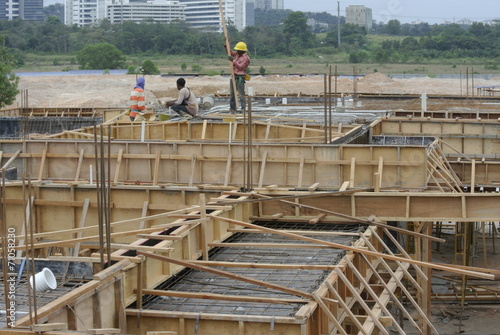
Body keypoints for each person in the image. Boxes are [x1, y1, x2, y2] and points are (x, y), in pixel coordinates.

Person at [224, 41, 250, 113]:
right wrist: (227, 46)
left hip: (240, 77)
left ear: (242, 50)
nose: (237, 51)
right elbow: (231, 53)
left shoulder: (246, 58)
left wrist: (233, 61)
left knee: (241, 94)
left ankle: (243, 108)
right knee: (232, 94)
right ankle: (233, 109)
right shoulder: (237, 54)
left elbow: (241, 67)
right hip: (233, 76)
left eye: (239, 50)